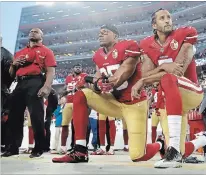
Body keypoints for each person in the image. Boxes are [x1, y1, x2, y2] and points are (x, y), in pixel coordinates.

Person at [52, 24, 166, 163]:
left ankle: (160, 143)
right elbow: (97, 82)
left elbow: (122, 75)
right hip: (113, 101)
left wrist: (97, 81)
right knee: (81, 94)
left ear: (116, 36)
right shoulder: (98, 56)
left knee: (138, 156)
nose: (100, 35)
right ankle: (80, 150)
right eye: (99, 33)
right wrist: (94, 83)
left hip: (134, 103)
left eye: (105, 32)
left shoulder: (129, 46)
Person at [131, 9, 206, 168]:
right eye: (162, 18)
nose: (167, 20)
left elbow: (178, 71)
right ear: (154, 25)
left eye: (169, 17)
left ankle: (173, 150)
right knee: (181, 151)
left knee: (169, 78)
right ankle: (204, 140)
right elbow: (145, 75)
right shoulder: (146, 44)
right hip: (168, 99)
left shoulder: (184, 34)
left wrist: (147, 79)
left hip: (191, 90)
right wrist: (165, 66)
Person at [2, 28, 56, 158]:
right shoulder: (20, 52)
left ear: (41, 36)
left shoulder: (46, 51)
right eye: (31, 31)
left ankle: (38, 148)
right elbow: (11, 74)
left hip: (36, 81)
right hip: (20, 83)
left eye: (36, 31)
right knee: (14, 115)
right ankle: (13, 147)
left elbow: (50, 71)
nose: (33, 32)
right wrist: (13, 65)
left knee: (36, 116)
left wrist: (47, 86)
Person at [60, 64, 87, 154]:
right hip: (68, 102)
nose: (78, 68)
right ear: (73, 69)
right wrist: (65, 93)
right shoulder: (68, 78)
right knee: (64, 124)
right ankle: (63, 147)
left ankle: (77, 147)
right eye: (76, 67)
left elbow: (88, 87)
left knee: (77, 125)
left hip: (78, 103)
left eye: (80, 67)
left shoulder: (84, 76)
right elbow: (63, 91)